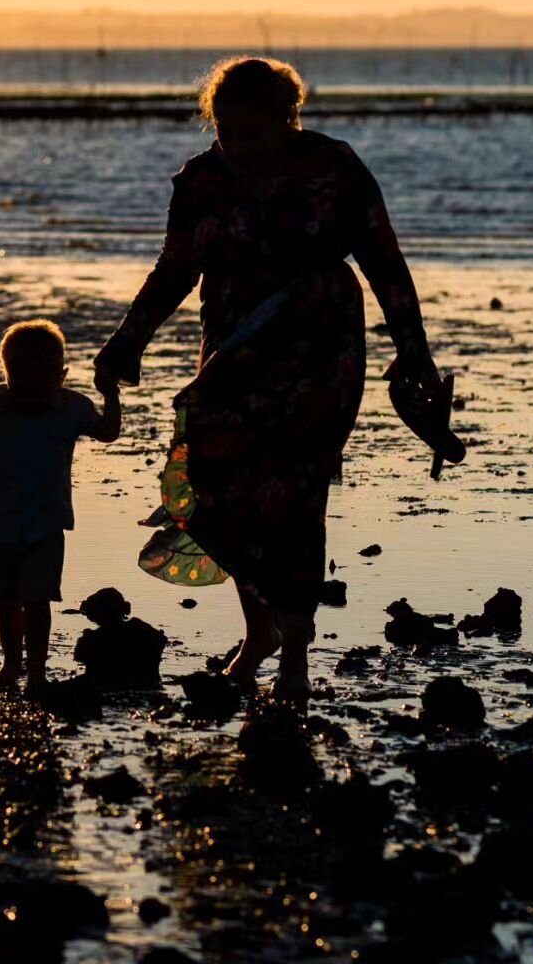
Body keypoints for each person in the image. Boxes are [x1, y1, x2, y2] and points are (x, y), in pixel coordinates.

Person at [93, 55, 444, 705]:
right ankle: (261, 633)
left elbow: (385, 265)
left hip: (321, 351)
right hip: (234, 350)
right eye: (225, 132)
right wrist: (127, 341)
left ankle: (296, 657)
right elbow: (174, 271)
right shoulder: (200, 182)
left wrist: (414, 352)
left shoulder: (334, 169)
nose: (237, 147)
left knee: (295, 497)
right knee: (211, 486)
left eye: (251, 133)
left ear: (289, 120)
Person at [0, 319, 121, 691]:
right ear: (6, 374)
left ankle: (38, 670)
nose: (29, 391)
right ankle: (12, 663)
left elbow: (107, 432)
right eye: (20, 380)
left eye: (39, 381)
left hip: (47, 520)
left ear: (61, 376)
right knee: (5, 598)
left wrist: (111, 393)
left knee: (38, 597)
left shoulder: (71, 406)